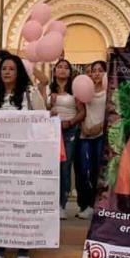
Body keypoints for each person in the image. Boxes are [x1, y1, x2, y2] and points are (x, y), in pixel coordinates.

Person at [0, 53, 44, 258]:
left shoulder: (30, 94)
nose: (7, 72)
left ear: (19, 73)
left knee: (21, 207)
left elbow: (42, 121)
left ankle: (23, 254)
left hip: (24, 160)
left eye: (12, 69)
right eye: (4, 69)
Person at [47, 58, 85, 218]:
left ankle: (61, 204)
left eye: (66, 68)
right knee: (51, 167)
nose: (62, 70)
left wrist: (70, 123)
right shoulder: (48, 89)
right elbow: (42, 109)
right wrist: (50, 107)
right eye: (59, 67)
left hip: (69, 131)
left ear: (70, 72)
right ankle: (49, 203)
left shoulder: (75, 90)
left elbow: (82, 112)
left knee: (64, 167)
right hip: (51, 131)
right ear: (54, 71)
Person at [74, 59, 107, 219]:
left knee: (98, 171)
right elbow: (79, 111)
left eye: (100, 70)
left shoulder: (109, 91)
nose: (96, 73)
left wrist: (99, 127)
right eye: (94, 70)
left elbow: (111, 112)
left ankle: (98, 205)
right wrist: (83, 128)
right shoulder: (85, 89)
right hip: (85, 135)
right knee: (84, 171)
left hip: (101, 135)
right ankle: (85, 204)